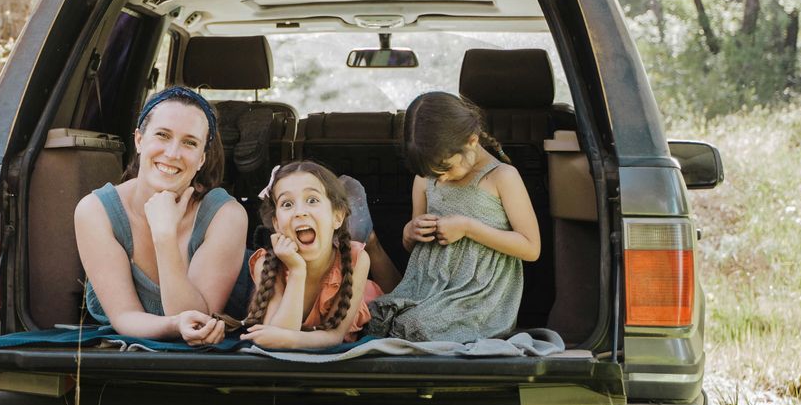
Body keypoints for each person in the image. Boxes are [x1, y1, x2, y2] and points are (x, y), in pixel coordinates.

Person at [75, 86, 251, 340]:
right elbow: (125, 316)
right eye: (163, 135)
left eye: (190, 142)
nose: (172, 153)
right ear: (139, 140)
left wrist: (165, 237)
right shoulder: (95, 211)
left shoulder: (226, 216)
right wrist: (174, 325)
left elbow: (196, 323)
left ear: (201, 159)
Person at [368, 91, 542, 343]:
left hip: (477, 297)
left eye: (446, 168)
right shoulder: (425, 179)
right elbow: (413, 248)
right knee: (375, 316)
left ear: (472, 141)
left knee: (416, 327)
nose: (441, 178)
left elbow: (531, 248)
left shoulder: (502, 177)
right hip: (428, 288)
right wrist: (410, 232)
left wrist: (468, 228)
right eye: (433, 173)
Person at [192, 160, 379, 350]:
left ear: (337, 216)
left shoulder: (357, 259)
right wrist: (297, 271)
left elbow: (334, 336)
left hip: (368, 300)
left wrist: (292, 339)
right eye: (287, 204)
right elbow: (277, 338)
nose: (300, 212)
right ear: (277, 224)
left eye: (312, 200)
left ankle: (368, 234)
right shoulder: (266, 264)